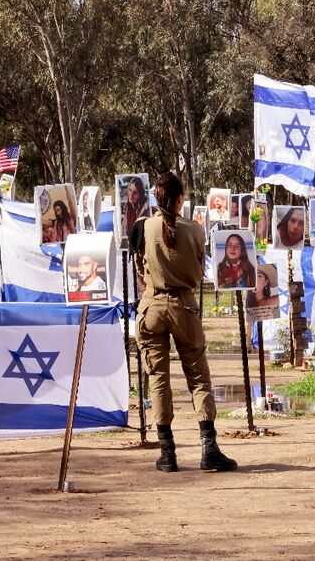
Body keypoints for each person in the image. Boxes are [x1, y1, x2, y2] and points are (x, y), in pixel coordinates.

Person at [134, 172, 236, 472]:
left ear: (156, 197)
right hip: (184, 306)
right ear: (180, 198)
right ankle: (209, 449)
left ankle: (167, 453)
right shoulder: (195, 230)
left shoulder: (143, 227)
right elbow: (197, 272)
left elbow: (140, 268)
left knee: (158, 379)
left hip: (151, 306)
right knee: (199, 378)